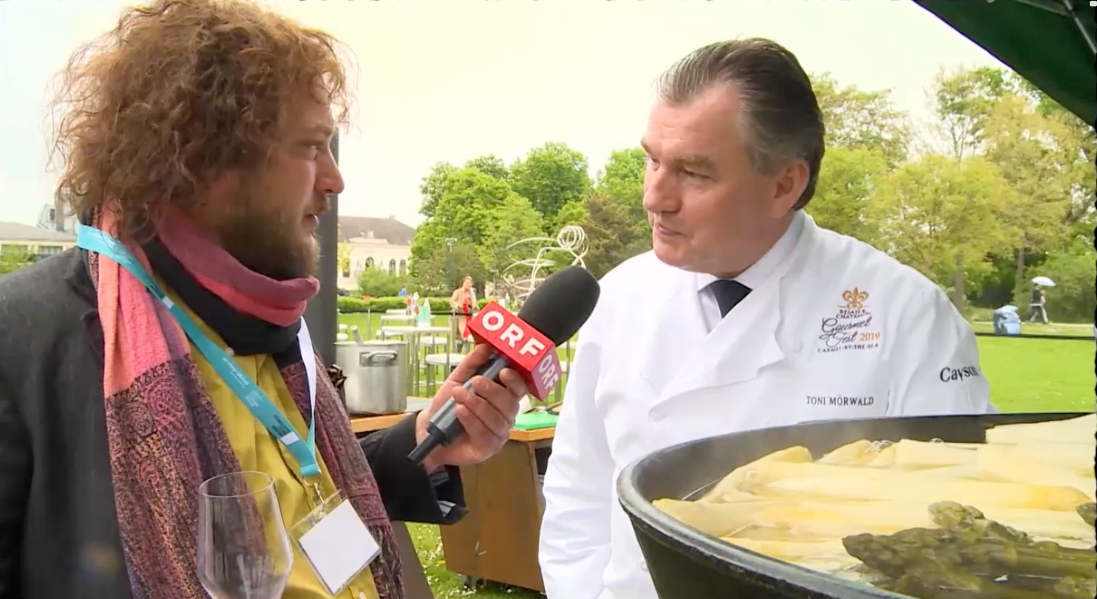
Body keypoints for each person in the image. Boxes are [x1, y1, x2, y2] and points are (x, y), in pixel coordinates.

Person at [0, 2, 527, 598]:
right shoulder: (26, 339)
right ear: (205, 160)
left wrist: (426, 444)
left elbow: (304, 499)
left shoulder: (268, 316)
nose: (335, 179)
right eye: (311, 148)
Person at [538, 38, 995, 599]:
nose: (655, 196)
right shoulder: (620, 296)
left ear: (785, 185)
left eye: (694, 173)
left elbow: (957, 522)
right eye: (652, 159)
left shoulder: (905, 315)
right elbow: (578, 492)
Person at [449, 276, 477, 353]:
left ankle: (463, 354)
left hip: (468, 317)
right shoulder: (458, 292)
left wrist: (474, 307)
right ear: (463, 283)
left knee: (465, 336)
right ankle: (462, 354)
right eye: (466, 283)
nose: (468, 284)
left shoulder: (472, 294)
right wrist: (458, 305)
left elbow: (475, 304)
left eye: (469, 283)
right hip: (459, 317)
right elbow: (452, 301)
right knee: (462, 336)